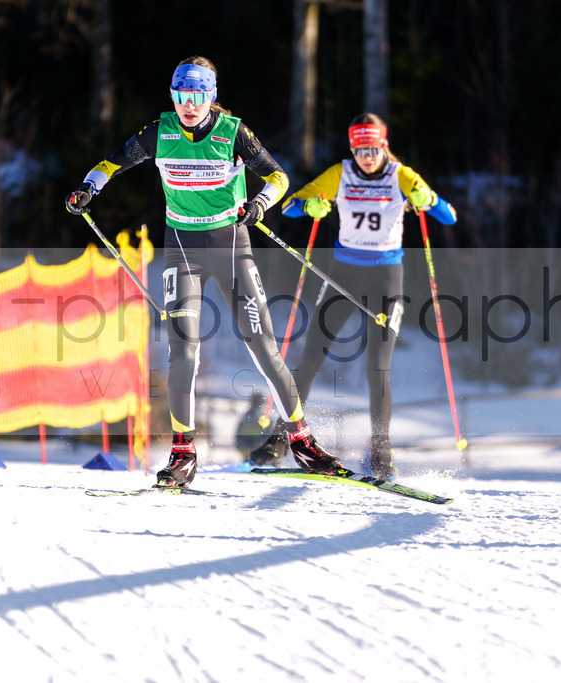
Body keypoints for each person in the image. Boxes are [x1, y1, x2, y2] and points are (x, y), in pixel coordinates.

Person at [66, 56, 342, 487]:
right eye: (181, 95)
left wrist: (259, 204)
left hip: (231, 248)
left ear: (211, 96)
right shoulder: (160, 132)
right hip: (182, 251)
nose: (188, 105)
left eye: (197, 96)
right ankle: (183, 453)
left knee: (263, 348)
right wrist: (88, 188)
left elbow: (278, 177)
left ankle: (302, 441)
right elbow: (111, 163)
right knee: (183, 353)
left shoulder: (233, 132)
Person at [250, 113, 457, 479]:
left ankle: (380, 450)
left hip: (386, 278)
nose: (367, 157)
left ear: (384, 146)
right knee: (311, 356)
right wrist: (310, 206)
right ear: (352, 149)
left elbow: (449, 216)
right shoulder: (340, 174)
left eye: (373, 149)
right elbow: (291, 204)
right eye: (360, 150)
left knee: (378, 366)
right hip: (344, 276)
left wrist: (429, 200)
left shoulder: (401, 175)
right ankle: (281, 438)